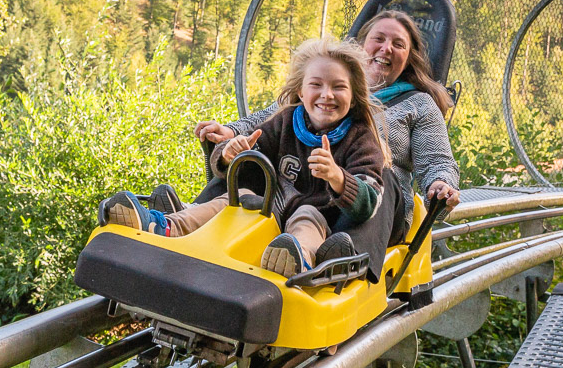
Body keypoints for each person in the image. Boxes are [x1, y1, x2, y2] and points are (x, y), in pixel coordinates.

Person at [100, 38, 388, 280]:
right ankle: (164, 225)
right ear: (301, 91)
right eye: (317, 85)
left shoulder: (361, 138)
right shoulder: (287, 121)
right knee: (236, 200)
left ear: (353, 96)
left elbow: (371, 201)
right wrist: (230, 154)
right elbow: (251, 154)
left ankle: (297, 259)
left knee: (307, 217)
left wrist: (338, 177)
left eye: (339, 87)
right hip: (267, 213)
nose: (327, 95)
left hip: (318, 221)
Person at [193, 9, 460, 238]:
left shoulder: (419, 104)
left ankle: (343, 255)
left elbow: (437, 160)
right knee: (249, 156)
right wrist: (231, 132)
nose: (386, 48)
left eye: (398, 44)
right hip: (303, 194)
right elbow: (270, 118)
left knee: (383, 173)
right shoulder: (324, 91)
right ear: (360, 46)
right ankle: (189, 221)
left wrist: (441, 184)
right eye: (378, 39)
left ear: (409, 56)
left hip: (370, 212)